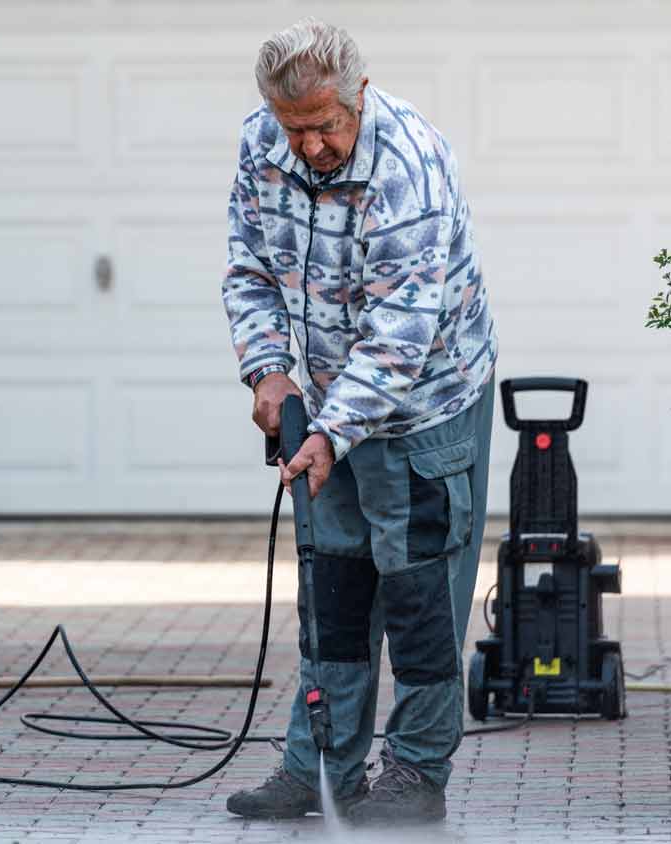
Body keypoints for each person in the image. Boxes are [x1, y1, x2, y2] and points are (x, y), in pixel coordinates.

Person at [219, 18, 499, 826]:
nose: (308, 146)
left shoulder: (408, 165)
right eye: (293, 127)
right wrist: (268, 370)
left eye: (325, 126)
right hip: (328, 402)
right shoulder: (261, 144)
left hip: (424, 406)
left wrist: (326, 434)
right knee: (334, 594)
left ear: (359, 97)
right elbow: (247, 268)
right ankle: (316, 767)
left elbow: (402, 334)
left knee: (418, 598)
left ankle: (415, 775)